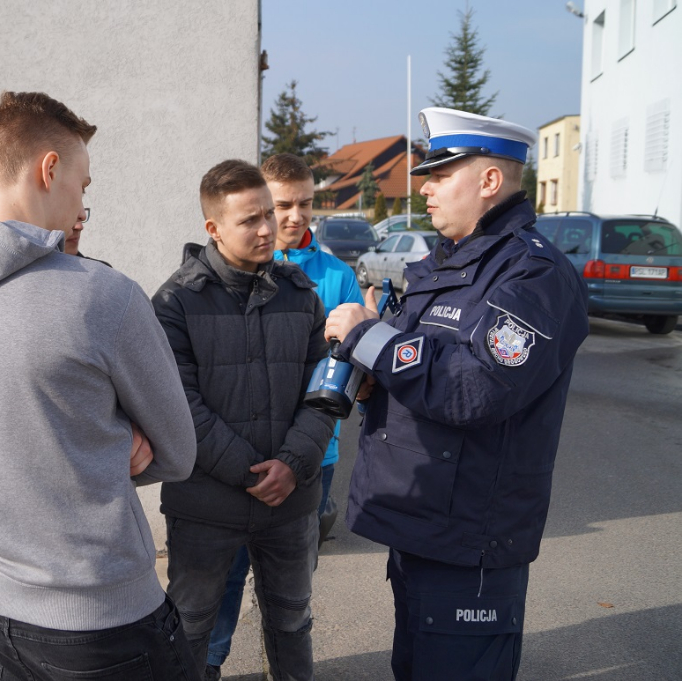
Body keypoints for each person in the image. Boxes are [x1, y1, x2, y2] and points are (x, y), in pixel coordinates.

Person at [0, 91, 199, 680]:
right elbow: (180, 453)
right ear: (49, 168)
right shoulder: (102, 297)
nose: (83, 202)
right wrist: (112, 445)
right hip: (100, 616)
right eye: (83, 185)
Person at [324, 108, 589, 680]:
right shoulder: (441, 266)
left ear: (489, 182)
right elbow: (421, 368)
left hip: (471, 543)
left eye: (441, 175)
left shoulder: (532, 275)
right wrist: (375, 381)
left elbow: (477, 389)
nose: (425, 187)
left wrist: (369, 338)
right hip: (420, 525)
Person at [153, 159, 334, 681]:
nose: (265, 229)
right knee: (189, 623)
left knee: (292, 619)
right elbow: (177, 405)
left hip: (291, 498)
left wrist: (294, 464)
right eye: (248, 220)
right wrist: (252, 472)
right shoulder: (175, 303)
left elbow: (325, 392)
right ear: (212, 228)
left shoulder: (302, 296)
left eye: (267, 216)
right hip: (206, 503)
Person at [202, 153, 363, 678]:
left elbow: (341, 375)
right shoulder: (192, 294)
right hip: (232, 471)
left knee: (290, 603)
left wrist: (299, 458)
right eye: (278, 206)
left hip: (312, 462)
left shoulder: (334, 278)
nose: (290, 218)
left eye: (303, 205)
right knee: (216, 601)